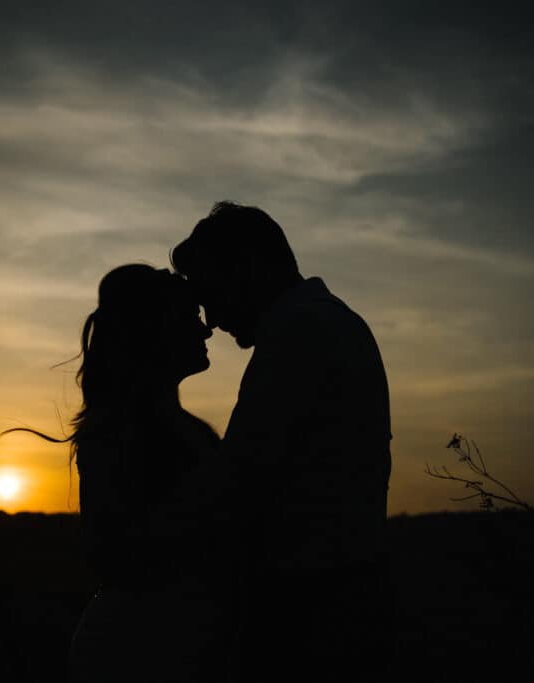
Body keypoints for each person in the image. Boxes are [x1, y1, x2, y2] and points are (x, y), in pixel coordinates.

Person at [167, 201, 394, 681]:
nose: (210, 319)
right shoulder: (325, 321)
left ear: (247, 267)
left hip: (311, 609)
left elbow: (240, 480)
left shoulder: (300, 332)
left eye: (212, 293)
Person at [1, 263, 239, 682]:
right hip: (138, 649)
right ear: (153, 331)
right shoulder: (117, 432)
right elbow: (110, 553)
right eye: (189, 317)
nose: (206, 331)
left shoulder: (186, 431)